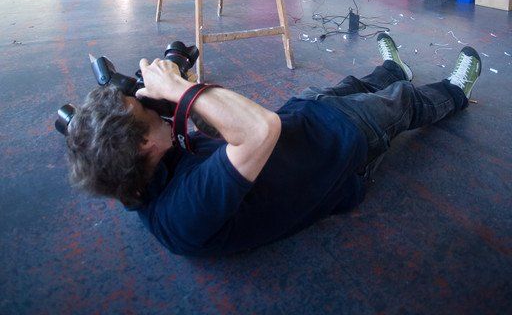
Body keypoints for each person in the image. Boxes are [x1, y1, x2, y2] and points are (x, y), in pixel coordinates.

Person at [65, 35, 482, 258]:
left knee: (351, 86)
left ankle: (394, 68)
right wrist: (178, 88)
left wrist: (180, 97)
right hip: (334, 155)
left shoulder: (142, 170)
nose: (153, 108)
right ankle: (455, 92)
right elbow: (259, 128)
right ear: (142, 145)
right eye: (147, 112)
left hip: (300, 124)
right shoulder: (184, 212)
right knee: (402, 102)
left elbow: (221, 129)